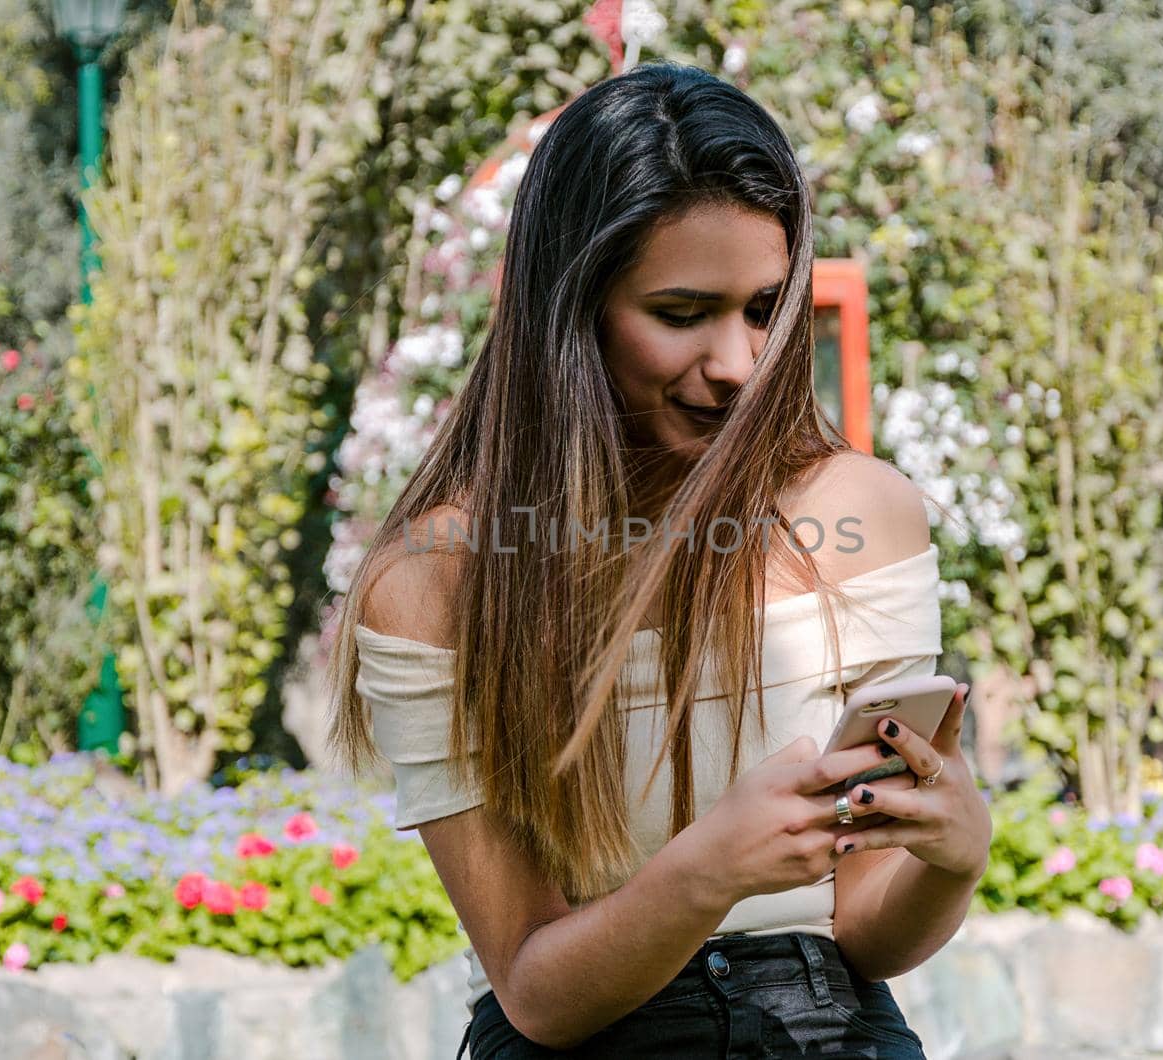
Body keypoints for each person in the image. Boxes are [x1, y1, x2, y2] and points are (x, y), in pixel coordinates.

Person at [325, 60, 992, 1058]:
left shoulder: (864, 513)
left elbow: (863, 932)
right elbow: (537, 992)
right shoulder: (438, 583)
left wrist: (952, 856)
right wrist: (708, 868)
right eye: (682, 313)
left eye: (766, 309)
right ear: (572, 308)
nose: (737, 364)